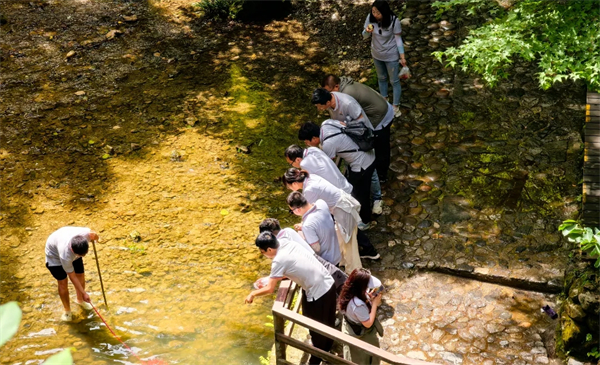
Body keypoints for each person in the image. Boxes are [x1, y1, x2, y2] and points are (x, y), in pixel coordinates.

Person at [245, 231, 337, 365]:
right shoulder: (287, 243)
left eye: (262, 252)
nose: (263, 255)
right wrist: (269, 278)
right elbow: (292, 269)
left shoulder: (278, 260)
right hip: (328, 281)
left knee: (316, 327)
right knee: (327, 320)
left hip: (319, 293)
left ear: (269, 249)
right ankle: (327, 349)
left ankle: (318, 357)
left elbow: (270, 289)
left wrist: (252, 294)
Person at [282, 168, 379, 266]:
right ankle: (364, 253)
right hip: (344, 204)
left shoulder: (308, 190)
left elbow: (309, 211)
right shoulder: (311, 177)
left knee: (350, 244)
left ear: (294, 184)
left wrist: (304, 225)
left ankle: (355, 269)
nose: (289, 189)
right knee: (348, 235)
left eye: (289, 186)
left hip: (342, 210)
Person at [298, 120, 376, 229]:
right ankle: (363, 214)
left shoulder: (328, 144)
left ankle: (365, 221)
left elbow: (328, 165)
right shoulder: (326, 124)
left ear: (314, 138)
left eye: (307, 142)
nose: (307, 145)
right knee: (358, 190)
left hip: (362, 163)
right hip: (366, 152)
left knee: (360, 193)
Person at [321, 74, 394, 185]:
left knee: (380, 147)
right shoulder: (342, 87)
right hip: (377, 109)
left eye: (328, 91)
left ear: (336, 86)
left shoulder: (346, 95)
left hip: (381, 116)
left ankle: (382, 176)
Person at [258, 218, 348, 290]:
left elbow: (288, 269)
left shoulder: (282, 245)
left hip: (317, 272)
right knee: (347, 286)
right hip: (322, 263)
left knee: (342, 293)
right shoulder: (288, 231)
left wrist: (269, 280)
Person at [45, 226, 98, 322]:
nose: (83, 256)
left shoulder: (86, 234)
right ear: (74, 251)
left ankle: (80, 300)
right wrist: (84, 293)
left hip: (70, 247)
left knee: (81, 275)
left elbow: (94, 234)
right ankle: (67, 311)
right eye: (81, 255)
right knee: (63, 282)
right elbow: (72, 277)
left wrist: (96, 237)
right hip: (54, 257)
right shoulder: (65, 255)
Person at [363, 0, 406, 117]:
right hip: (377, 54)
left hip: (391, 55)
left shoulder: (394, 21)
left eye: (378, 13)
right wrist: (367, 31)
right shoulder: (370, 18)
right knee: (381, 78)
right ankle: (384, 101)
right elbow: (364, 36)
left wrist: (402, 57)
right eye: (373, 12)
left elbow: (398, 39)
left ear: (384, 12)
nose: (375, 15)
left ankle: (396, 106)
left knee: (394, 81)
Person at [338, 268, 385, 365]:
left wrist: (368, 299)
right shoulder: (358, 305)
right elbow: (368, 323)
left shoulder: (348, 292)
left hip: (349, 323)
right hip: (359, 332)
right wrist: (375, 304)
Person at [286, 191, 341, 267]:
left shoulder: (307, 225)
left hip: (327, 262)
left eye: (291, 211)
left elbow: (316, 249)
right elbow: (320, 222)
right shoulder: (321, 203)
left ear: (297, 210)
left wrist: (302, 242)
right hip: (337, 253)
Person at [284, 144, 353, 194]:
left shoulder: (304, 164)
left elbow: (312, 183)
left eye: (291, 163)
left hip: (341, 194)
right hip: (346, 184)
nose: (292, 166)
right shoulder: (313, 149)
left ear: (298, 160)